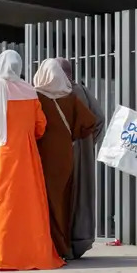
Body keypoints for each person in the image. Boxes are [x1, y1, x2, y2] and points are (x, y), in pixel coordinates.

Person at [0, 50, 64, 271]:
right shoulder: (29, 90)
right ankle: (25, 254)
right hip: (25, 157)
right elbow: (40, 126)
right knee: (25, 204)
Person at [34, 58, 99, 261]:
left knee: (45, 202)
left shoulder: (35, 96)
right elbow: (95, 120)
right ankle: (67, 246)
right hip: (68, 156)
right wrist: (84, 143)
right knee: (66, 201)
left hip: (44, 158)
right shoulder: (75, 94)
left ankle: (48, 246)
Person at [57, 58, 105, 260]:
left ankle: (61, 244)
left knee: (62, 198)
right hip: (82, 153)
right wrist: (87, 144)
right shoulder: (82, 91)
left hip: (59, 156)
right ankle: (80, 240)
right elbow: (99, 119)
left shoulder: (53, 93)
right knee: (81, 197)